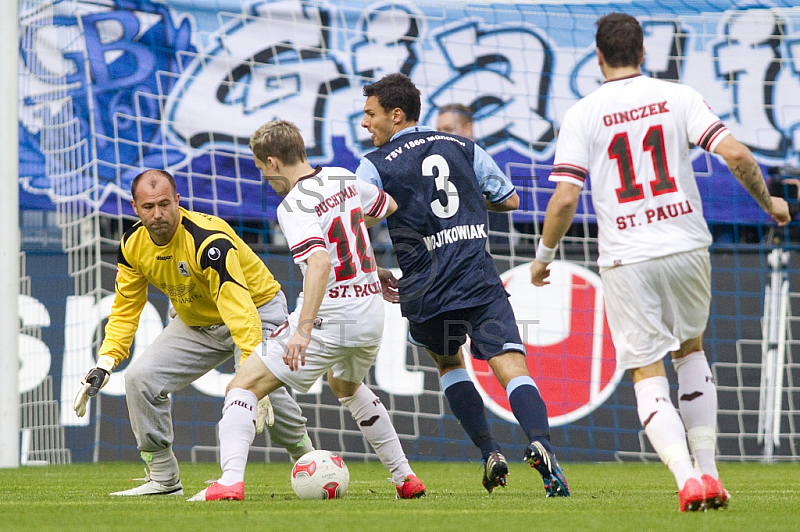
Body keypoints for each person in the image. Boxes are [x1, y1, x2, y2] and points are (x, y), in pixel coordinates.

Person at [529, 12, 790, 512]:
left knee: (647, 371)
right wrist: (770, 204)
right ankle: (711, 473)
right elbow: (735, 154)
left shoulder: (584, 112)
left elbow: (564, 199)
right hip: (688, 244)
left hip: (628, 256)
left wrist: (544, 257)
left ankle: (687, 478)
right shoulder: (678, 96)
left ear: (599, 56)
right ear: (644, 52)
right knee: (691, 352)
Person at [356, 73, 570, 497]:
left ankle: (489, 451)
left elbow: (355, 218)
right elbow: (509, 199)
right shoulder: (464, 147)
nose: (366, 124)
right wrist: (468, 199)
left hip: (424, 287)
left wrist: (370, 264)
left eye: (370, 114)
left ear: (396, 116)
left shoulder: (373, 164)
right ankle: (541, 444)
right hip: (476, 277)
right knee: (510, 366)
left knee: (450, 365)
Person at [189, 120, 426, 501]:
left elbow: (319, 263)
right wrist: (364, 261)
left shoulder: (295, 205)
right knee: (345, 385)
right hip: (369, 311)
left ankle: (230, 481)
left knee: (241, 386)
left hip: (329, 317)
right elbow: (388, 205)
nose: (266, 178)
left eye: (263, 170)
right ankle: (405, 478)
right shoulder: (340, 176)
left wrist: (302, 329)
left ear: (273, 161)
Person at [72, 169, 314, 496]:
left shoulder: (207, 240)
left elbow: (239, 308)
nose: (157, 214)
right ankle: (163, 479)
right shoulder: (131, 244)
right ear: (134, 207)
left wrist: (251, 367)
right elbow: (125, 307)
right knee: (140, 379)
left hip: (258, 310)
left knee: (259, 390)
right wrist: (105, 361)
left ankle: (309, 460)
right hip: (198, 321)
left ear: (178, 201)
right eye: (148, 207)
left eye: (164, 204)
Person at [435, 103, 513, 247]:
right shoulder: (438, 165)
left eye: (448, 129)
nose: (441, 136)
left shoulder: (481, 164)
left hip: (489, 251)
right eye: (438, 130)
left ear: (468, 129)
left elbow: (510, 202)